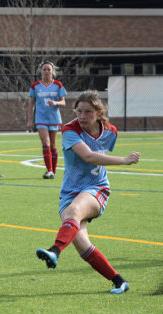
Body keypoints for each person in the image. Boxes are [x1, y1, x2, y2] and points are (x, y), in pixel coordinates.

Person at [36, 90, 141, 294]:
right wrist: (124, 160)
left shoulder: (111, 131)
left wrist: (123, 161)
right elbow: (89, 156)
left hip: (97, 188)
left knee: (75, 211)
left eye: (87, 112)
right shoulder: (69, 130)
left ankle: (54, 250)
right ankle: (119, 281)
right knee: (81, 242)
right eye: (79, 111)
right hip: (68, 192)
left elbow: (98, 156)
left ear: (98, 112)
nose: (82, 116)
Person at [27, 61, 67, 179]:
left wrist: (56, 102)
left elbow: (63, 101)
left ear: (52, 71)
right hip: (41, 118)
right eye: (44, 69)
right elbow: (31, 104)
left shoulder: (58, 85)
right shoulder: (35, 86)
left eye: (48, 69)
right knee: (46, 143)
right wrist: (29, 120)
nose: (46, 71)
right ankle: (49, 170)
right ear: (41, 71)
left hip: (54, 118)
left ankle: (52, 172)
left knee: (53, 145)